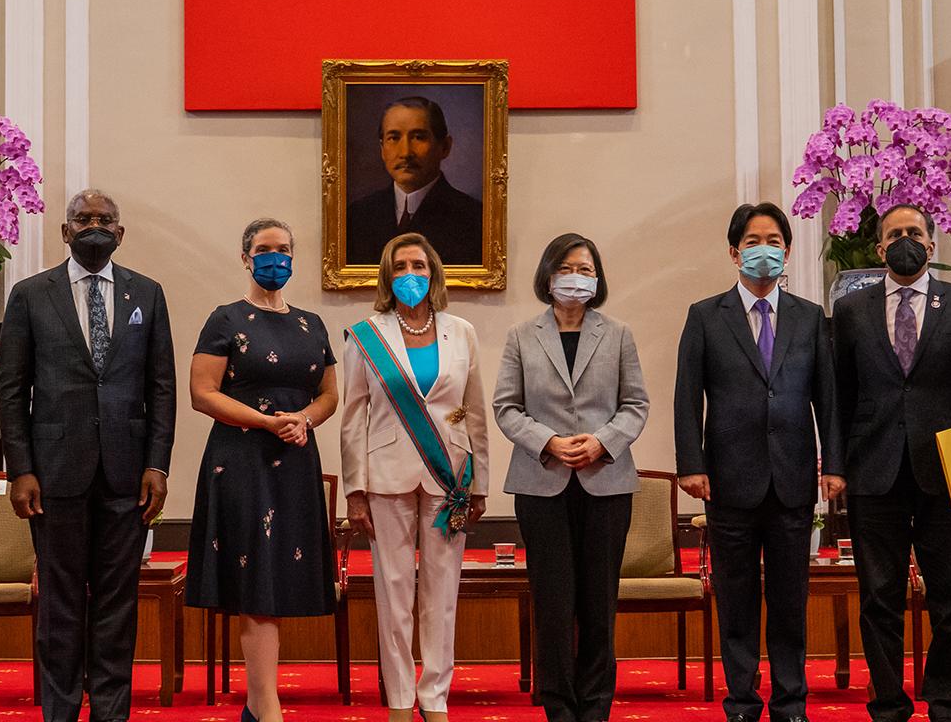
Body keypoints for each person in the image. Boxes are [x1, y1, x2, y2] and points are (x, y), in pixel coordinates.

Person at [0, 189, 177, 722]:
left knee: (118, 603)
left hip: (128, 475)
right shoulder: (31, 294)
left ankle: (111, 713)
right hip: (53, 475)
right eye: (82, 219)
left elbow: (161, 387)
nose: (93, 226)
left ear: (120, 233)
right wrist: (20, 469)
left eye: (104, 219)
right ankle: (60, 711)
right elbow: (12, 391)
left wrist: (157, 464)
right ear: (65, 231)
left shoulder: (148, 293)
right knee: (60, 603)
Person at [674, 202, 845, 722]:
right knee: (737, 600)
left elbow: (827, 398)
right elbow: (687, 397)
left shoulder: (809, 317)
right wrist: (691, 464)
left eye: (773, 241)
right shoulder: (706, 315)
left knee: (791, 601)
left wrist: (835, 465)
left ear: (787, 251)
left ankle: (791, 702)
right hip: (728, 479)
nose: (763, 250)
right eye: (752, 242)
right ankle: (742, 703)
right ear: (734, 252)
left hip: (793, 478)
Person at [832, 204, 951, 722]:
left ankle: (947, 703)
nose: (905, 240)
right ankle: (888, 704)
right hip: (873, 471)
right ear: (879, 248)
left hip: (949, 473)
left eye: (914, 232)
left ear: (931, 244)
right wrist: (836, 466)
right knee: (878, 599)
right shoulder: (851, 309)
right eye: (894, 234)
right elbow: (839, 397)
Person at [185, 218, 341, 722]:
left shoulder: (312, 324)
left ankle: (257, 704)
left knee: (279, 579)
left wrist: (304, 419)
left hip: (295, 461)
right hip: (242, 461)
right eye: (264, 249)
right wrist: (267, 422)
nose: (276, 258)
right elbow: (202, 393)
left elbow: (330, 394)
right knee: (256, 580)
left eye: (284, 249)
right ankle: (266, 704)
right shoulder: (225, 318)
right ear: (245, 257)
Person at [494, 233, 649, 722]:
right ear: (547, 276)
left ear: (597, 279)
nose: (576, 278)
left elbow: (635, 405)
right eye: (566, 269)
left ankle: (596, 705)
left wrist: (602, 441)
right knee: (554, 603)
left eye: (585, 270)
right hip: (542, 482)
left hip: (606, 482)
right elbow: (506, 407)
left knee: (599, 602)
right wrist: (548, 442)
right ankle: (558, 706)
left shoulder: (618, 334)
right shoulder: (522, 335)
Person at [340, 232, 490, 722]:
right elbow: (353, 418)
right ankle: (401, 700)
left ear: (434, 272)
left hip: (450, 478)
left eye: (419, 266)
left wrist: (481, 483)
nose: (410, 275)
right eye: (400, 266)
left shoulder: (461, 332)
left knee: (442, 595)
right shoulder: (366, 335)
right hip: (385, 477)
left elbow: (474, 412)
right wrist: (354, 490)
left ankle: (435, 698)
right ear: (388, 276)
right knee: (394, 593)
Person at [344, 97, 484, 266]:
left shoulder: (476, 220)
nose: (405, 153)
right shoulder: (356, 217)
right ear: (382, 149)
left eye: (418, 137)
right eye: (394, 138)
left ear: (444, 147)